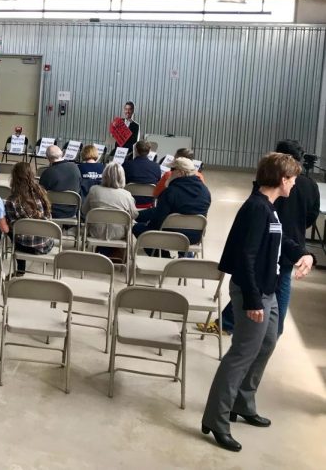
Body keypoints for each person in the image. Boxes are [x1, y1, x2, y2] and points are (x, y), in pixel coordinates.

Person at [201, 153, 314, 453]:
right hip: (254, 291)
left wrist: (305, 254)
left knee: (267, 342)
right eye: (292, 179)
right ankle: (216, 418)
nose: (294, 184)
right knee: (242, 353)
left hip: (269, 289)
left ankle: (243, 401)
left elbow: (281, 242)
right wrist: (252, 299)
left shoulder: (271, 208)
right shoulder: (256, 208)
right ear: (281, 179)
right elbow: (246, 257)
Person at [219, 140, 319, 336]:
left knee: (259, 283)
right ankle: (272, 329)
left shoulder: (266, 190)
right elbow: (312, 214)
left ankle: (244, 324)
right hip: (292, 241)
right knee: (277, 286)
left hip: (271, 242)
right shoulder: (310, 185)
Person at [132, 157, 210, 248]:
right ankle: (182, 255)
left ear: (181, 172)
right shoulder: (205, 191)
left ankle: (164, 256)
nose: (170, 172)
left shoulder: (171, 192)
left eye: (172, 169)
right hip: (195, 237)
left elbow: (158, 222)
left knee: (137, 228)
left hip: (171, 236)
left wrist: (141, 219)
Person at [5, 162, 53, 273]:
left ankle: (20, 269)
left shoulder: (12, 200)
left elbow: (12, 227)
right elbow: (48, 215)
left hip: (24, 245)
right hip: (45, 244)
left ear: (14, 177)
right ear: (32, 175)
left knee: (9, 227)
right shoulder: (42, 192)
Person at [82, 163, 138, 253]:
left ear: (104, 175)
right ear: (122, 177)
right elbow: (134, 215)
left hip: (96, 232)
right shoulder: (127, 195)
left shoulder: (94, 190)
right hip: (119, 234)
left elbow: (84, 211)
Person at [39, 145, 82, 218]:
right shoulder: (75, 167)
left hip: (52, 211)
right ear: (62, 153)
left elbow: (40, 193)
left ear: (48, 158)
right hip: (72, 211)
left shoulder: (48, 172)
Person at [123, 140, 162, 208]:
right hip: (148, 203)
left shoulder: (126, 165)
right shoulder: (156, 166)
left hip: (129, 202)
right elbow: (158, 183)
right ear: (149, 151)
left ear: (135, 150)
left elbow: (121, 183)